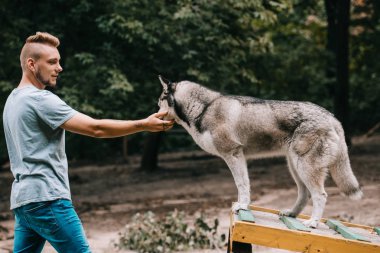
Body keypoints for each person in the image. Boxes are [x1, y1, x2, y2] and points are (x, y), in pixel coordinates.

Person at [3, 32, 175, 253]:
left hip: (24, 202)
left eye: (59, 61)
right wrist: (143, 124)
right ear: (31, 64)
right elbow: (96, 128)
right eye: (52, 62)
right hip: (48, 199)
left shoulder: (13, 99)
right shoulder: (40, 100)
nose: (59, 67)